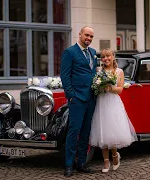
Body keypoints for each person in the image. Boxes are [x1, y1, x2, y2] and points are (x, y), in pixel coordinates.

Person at [89, 48, 137, 173]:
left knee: (112, 132)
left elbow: (120, 90)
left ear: (113, 57)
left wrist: (109, 88)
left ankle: (115, 156)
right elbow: (95, 85)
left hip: (113, 103)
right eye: (103, 57)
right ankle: (106, 161)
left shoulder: (119, 71)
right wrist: (99, 86)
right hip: (101, 103)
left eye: (108, 56)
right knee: (102, 132)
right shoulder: (99, 71)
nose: (105, 59)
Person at [60, 26, 97, 177]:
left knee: (86, 131)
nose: (88, 38)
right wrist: (71, 95)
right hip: (77, 98)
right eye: (87, 35)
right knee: (73, 131)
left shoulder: (93, 53)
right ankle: (69, 165)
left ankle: (81, 163)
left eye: (91, 37)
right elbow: (64, 75)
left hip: (91, 98)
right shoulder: (70, 52)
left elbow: (93, 73)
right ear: (80, 34)